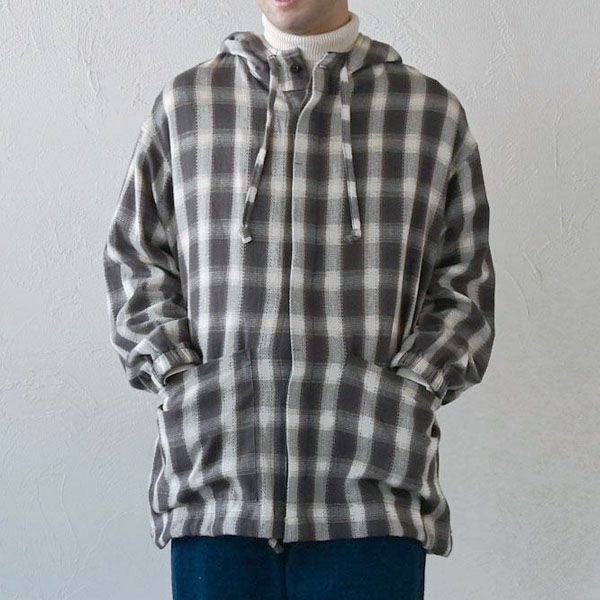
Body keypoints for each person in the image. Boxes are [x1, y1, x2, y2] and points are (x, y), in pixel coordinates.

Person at [102, 0, 496, 597]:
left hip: (373, 497)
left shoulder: (428, 113)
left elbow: (464, 285)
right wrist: (178, 378)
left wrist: (410, 392)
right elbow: (135, 260)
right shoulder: (188, 106)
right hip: (216, 490)